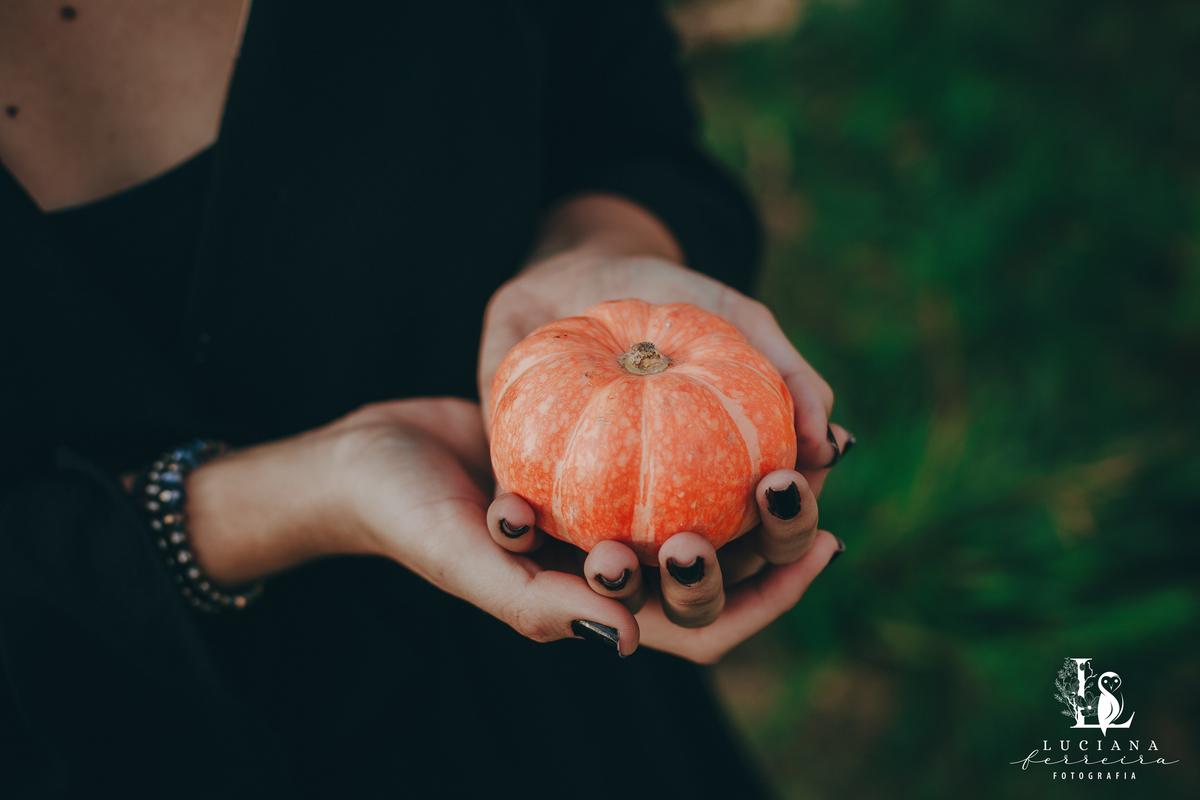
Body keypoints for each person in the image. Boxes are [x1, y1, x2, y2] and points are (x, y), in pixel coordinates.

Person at [0, 1, 851, 796]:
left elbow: (624, 115)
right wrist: (303, 496)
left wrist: (598, 247)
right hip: (117, 735)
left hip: (551, 628)